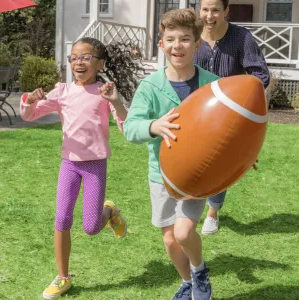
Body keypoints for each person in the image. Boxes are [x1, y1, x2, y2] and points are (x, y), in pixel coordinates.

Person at [20, 37, 142, 299]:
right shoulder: (62, 91)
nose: (78, 62)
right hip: (69, 164)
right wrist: (30, 98)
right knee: (62, 218)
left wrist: (117, 101)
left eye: (85, 57)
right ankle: (63, 276)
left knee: (90, 227)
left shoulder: (104, 91)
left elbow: (126, 125)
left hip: (95, 164)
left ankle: (109, 211)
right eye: (74, 57)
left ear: (100, 63)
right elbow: (29, 115)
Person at [124, 8, 218, 300]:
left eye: (186, 39)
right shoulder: (150, 87)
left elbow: (231, 127)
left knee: (182, 233)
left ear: (197, 44)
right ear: (161, 44)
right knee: (169, 240)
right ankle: (188, 281)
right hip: (161, 175)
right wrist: (153, 125)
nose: (178, 45)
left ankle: (200, 273)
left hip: (199, 175)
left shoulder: (213, 84)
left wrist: (242, 154)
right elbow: (130, 128)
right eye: (171, 39)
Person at [193, 0, 270, 236]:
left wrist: (237, 95)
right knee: (196, 159)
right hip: (196, 110)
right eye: (205, 9)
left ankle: (212, 212)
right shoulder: (193, 37)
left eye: (215, 9)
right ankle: (192, 203)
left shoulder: (241, 38)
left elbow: (260, 74)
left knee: (220, 163)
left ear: (226, 11)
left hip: (229, 115)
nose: (209, 15)